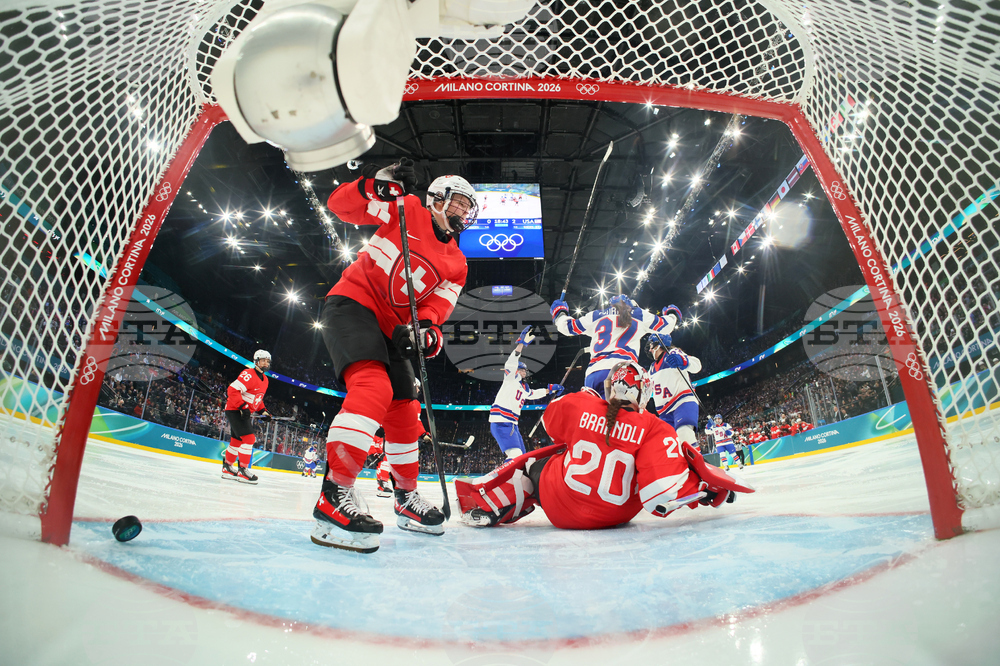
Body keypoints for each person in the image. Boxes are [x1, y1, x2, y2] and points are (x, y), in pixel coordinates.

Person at [311, 158, 476, 553]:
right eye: (457, 202)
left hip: (393, 329)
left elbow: (437, 308)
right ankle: (334, 493)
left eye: (467, 207)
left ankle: (405, 497)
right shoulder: (408, 207)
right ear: (436, 199)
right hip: (354, 304)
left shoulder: (458, 264)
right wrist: (374, 185)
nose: (462, 212)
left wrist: (428, 332)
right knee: (373, 388)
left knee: (405, 408)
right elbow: (339, 206)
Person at [454, 362, 753, 529]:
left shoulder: (580, 404)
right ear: (643, 393)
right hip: (616, 515)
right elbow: (660, 493)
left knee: (535, 463)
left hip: (560, 509)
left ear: (609, 389)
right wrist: (704, 490)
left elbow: (550, 425)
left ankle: (495, 504)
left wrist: (583, 410)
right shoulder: (654, 427)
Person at [550, 294, 680, 398]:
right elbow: (667, 326)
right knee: (621, 421)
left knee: (596, 420)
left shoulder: (596, 315)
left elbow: (568, 327)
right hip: (623, 374)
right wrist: (672, 313)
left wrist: (560, 312)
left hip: (594, 374)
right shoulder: (639, 314)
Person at [489, 325, 564, 458]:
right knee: (515, 455)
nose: (524, 372)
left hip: (512, 423)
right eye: (522, 370)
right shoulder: (511, 378)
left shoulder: (523, 387)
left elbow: (533, 394)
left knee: (523, 458)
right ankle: (505, 473)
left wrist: (549, 390)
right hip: (502, 421)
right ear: (517, 370)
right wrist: (521, 344)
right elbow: (511, 362)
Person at [222, 349, 273, 484]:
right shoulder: (248, 374)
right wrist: (242, 406)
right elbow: (232, 390)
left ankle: (227, 467)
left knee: (236, 441)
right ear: (256, 361)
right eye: (263, 360)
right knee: (249, 438)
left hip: (241, 411)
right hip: (235, 410)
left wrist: (263, 411)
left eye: (267, 361)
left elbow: (257, 398)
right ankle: (243, 470)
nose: (266, 363)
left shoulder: (265, 380)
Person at [647, 335, 702, 449]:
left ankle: (697, 460)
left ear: (658, 345)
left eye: (651, 346)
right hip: (664, 412)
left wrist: (684, 361)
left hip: (682, 402)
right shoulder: (651, 368)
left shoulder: (672, 353)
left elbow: (697, 365)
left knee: (684, 433)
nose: (650, 350)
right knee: (666, 445)